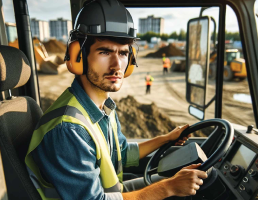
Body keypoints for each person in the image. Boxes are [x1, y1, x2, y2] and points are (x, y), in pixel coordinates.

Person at [25, 0, 208, 200]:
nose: (116, 66)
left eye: (123, 53)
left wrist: (166, 139)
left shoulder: (103, 107)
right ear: (79, 56)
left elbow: (121, 152)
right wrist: (169, 188)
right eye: (104, 52)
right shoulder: (68, 129)